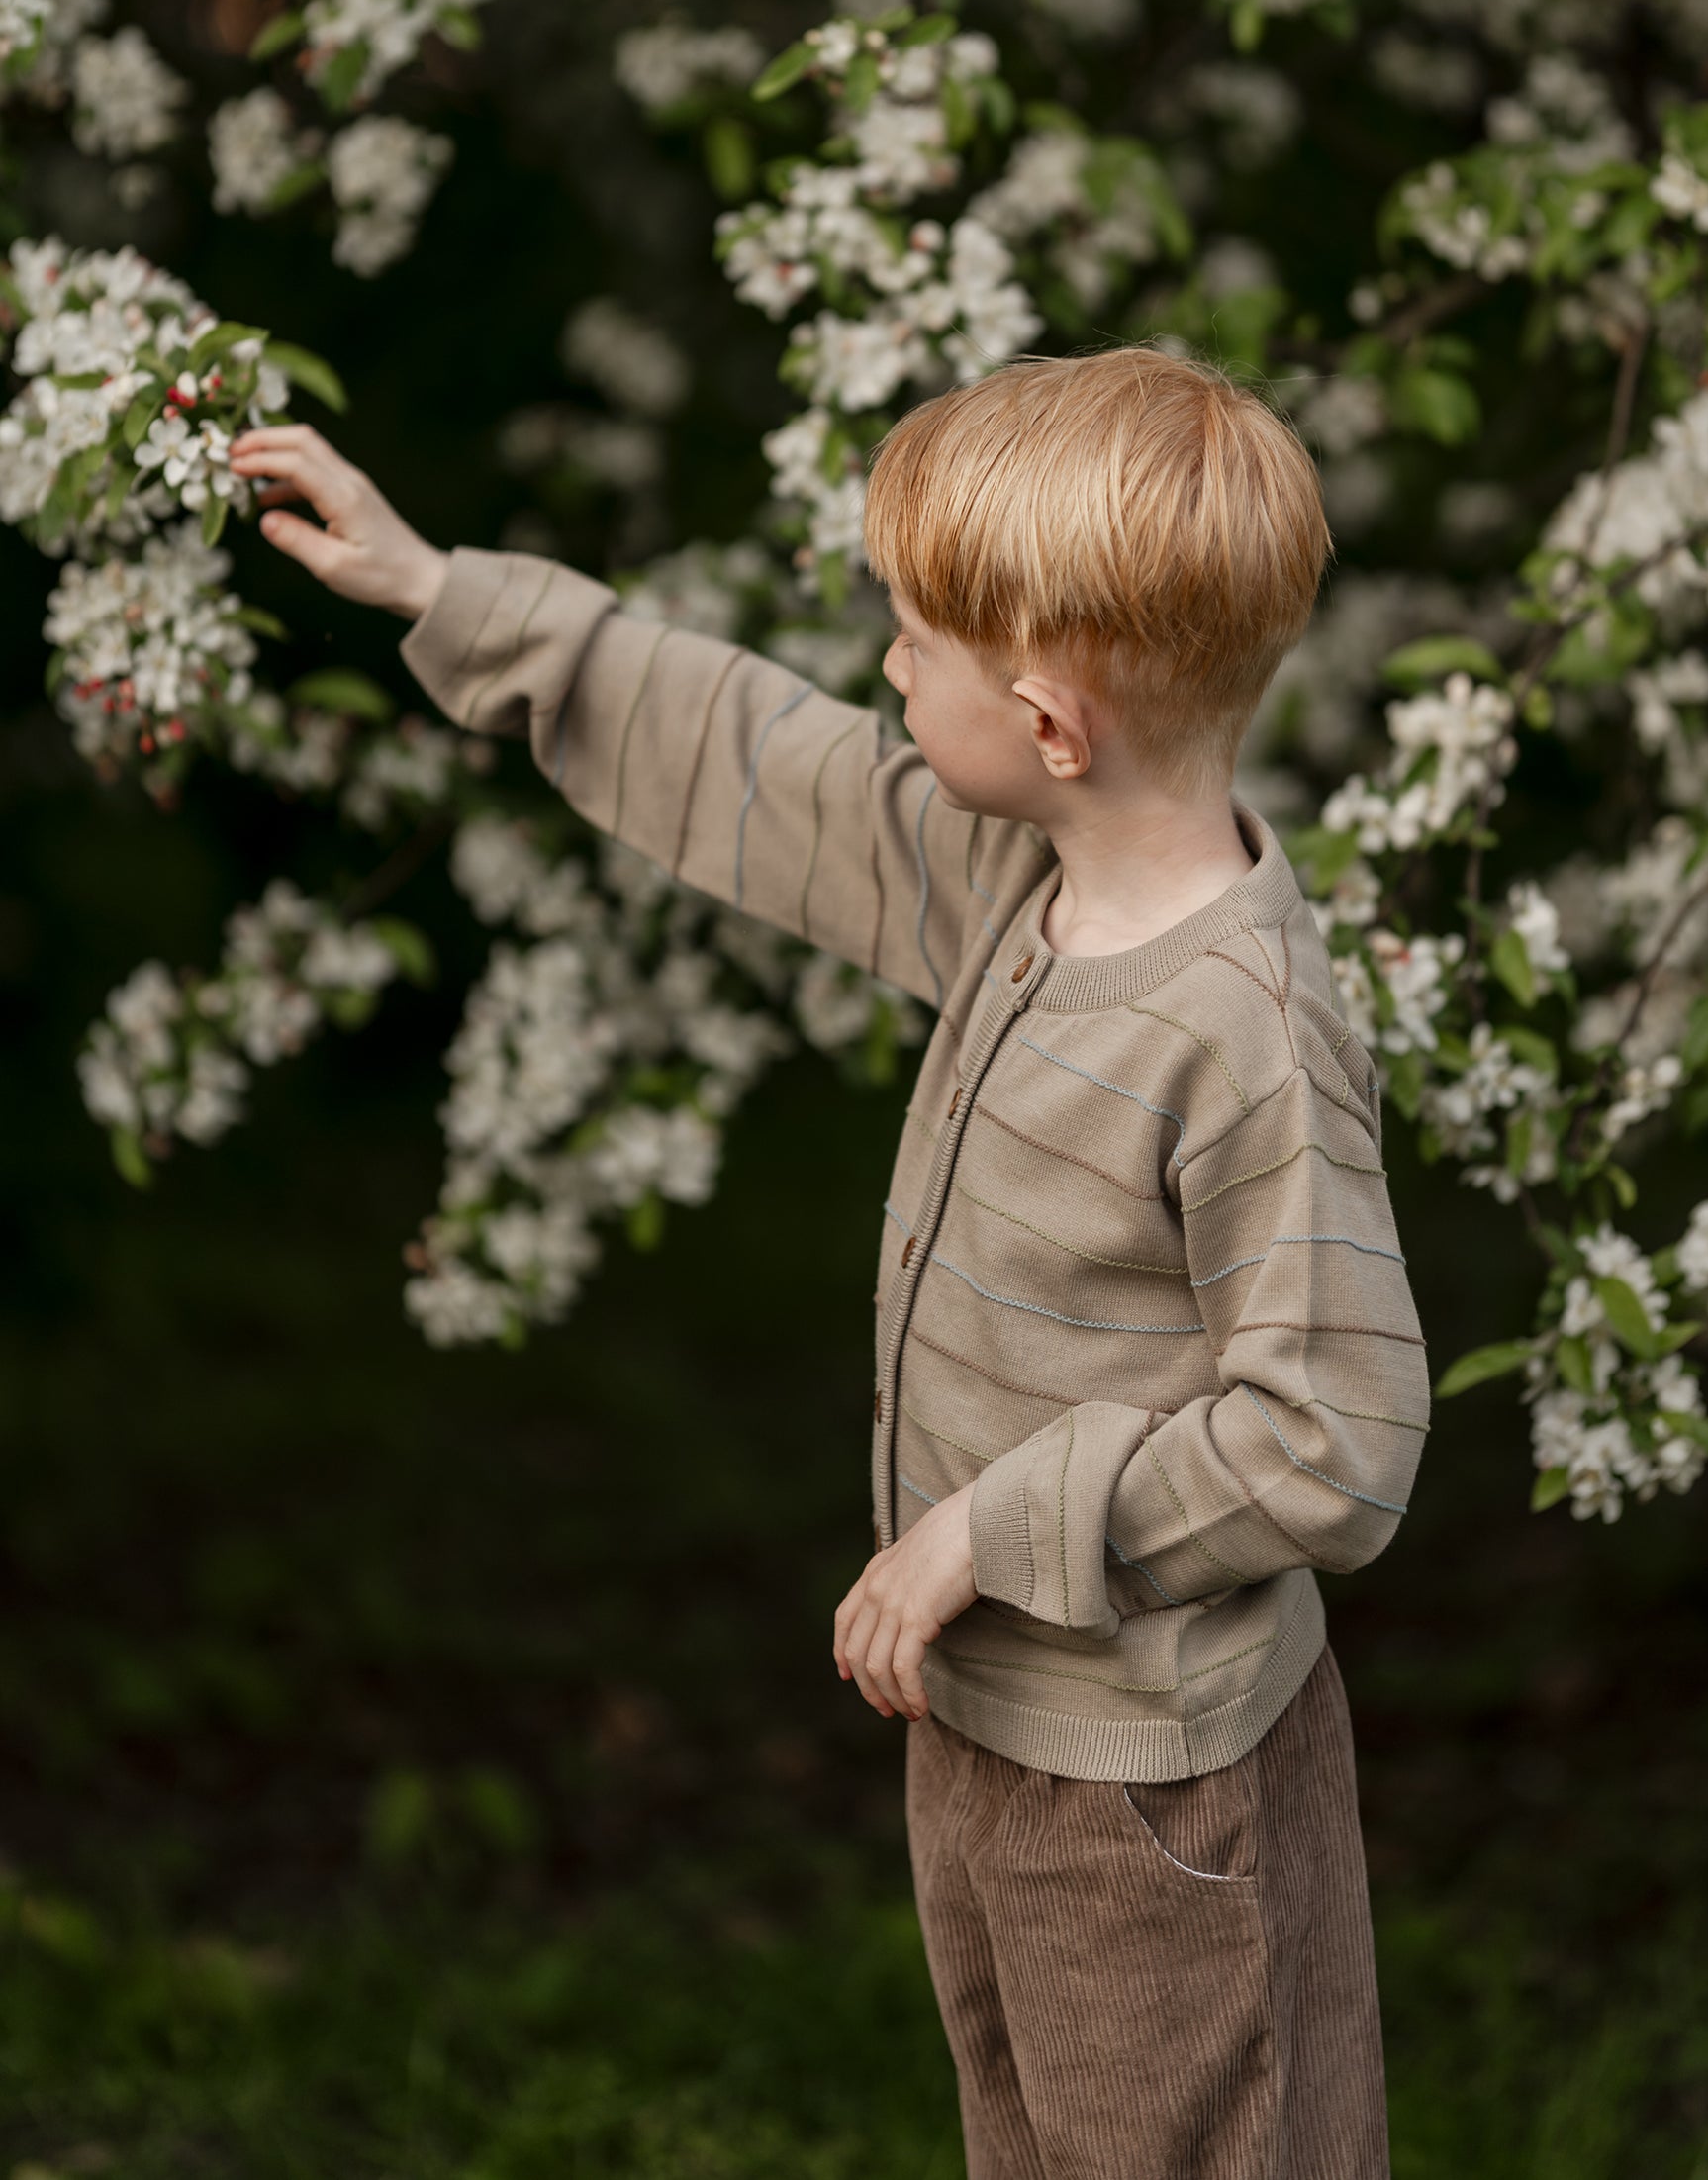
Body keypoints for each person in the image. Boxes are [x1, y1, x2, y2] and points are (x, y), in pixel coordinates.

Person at [230, 345, 1427, 2180]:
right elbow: (771, 766)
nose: (881, 669)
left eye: (915, 645)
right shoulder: (1021, 886)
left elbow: (1331, 1430)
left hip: (1152, 1785)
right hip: (985, 1720)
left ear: (1047, 725)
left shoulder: (1240, 1030)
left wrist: (986, 1530)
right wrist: (449, 597)